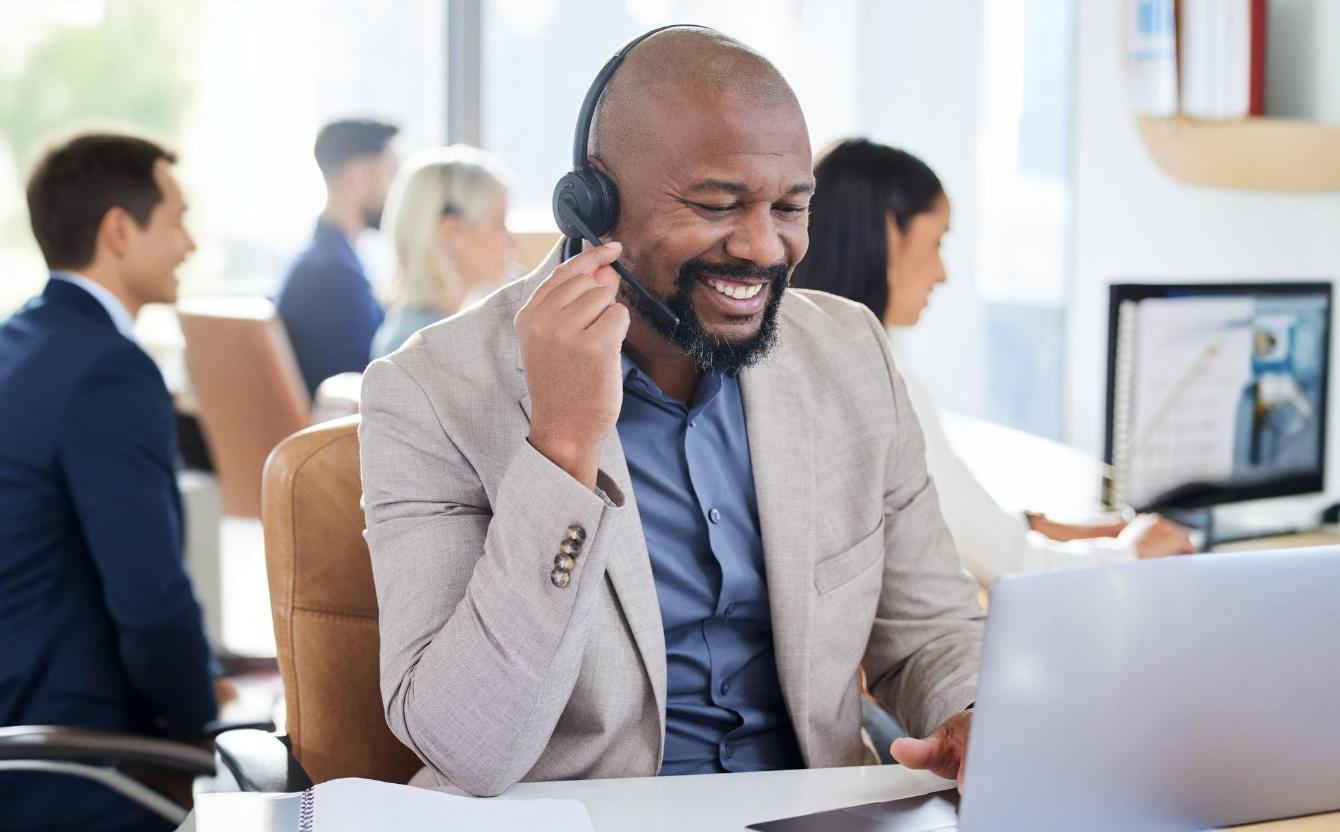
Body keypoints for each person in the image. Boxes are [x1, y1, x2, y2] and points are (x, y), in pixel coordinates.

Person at [359, 27, 982, 796]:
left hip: (816, 810)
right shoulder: (431, 391)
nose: (762, 247)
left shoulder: (848, 353)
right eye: (717, 205)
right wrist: (561, 446)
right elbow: (466, 744)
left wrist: (970, 709)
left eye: (790, 206)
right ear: (594, 200)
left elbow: (930, 634)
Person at [792, 138, 1194, 587]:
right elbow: (1011, 569)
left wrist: (1055, 531)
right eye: (936, 241)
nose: (942, 273)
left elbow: (951, 522)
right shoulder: (881, 385)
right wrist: (1134, 551)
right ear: (888, 233)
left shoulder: (800, 358)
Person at [0, 133, 219, 831]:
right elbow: (151, 602)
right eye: (176, 219)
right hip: (73, 763)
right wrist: (205, 729)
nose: (188, 244)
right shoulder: (110, 371)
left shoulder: (19, 343)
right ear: (119, 230)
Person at [276, 118, 399, 395]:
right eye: (392, 175)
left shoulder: (320, 262)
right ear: (357, 179)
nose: (400, 194)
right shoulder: (333, 276)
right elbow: (375, 387)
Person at [371, 145, 514, 359]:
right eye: (498, 224)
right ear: (453, 232)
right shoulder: (427, 347)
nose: (511, 241)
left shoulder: (411, 331)